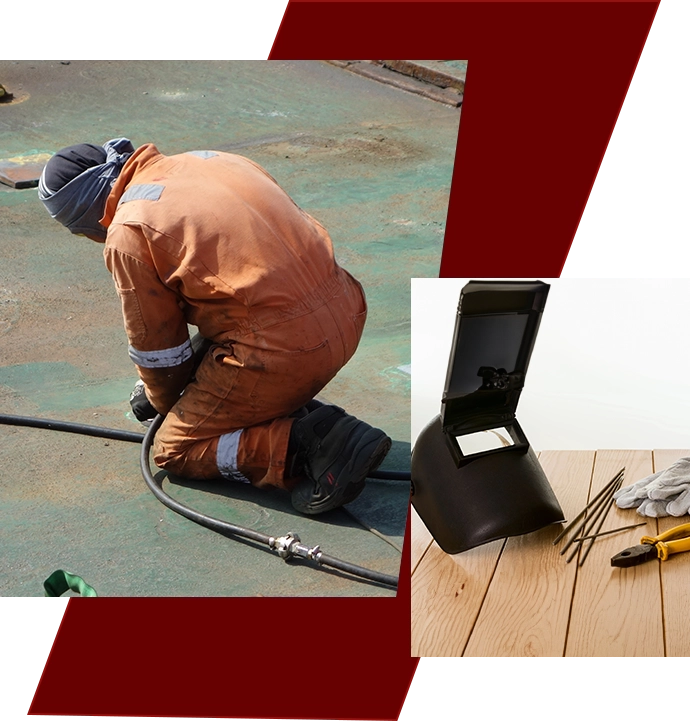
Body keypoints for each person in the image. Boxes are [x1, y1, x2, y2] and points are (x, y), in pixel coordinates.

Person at [38, 137, 391, 514]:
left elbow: (160, 352)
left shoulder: (128, 229)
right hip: (348, 309)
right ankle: (323, 427)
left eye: (81, 231)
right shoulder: (213, 160)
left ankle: (306, 447)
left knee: (176, 449)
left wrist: (168, 405)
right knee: (236, 325)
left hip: (285, 351)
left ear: (87, 214)